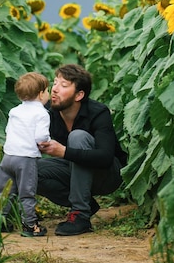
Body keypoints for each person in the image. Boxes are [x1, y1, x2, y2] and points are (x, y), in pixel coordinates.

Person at [37, 64, 127, 236]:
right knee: (30, 171)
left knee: (78, 137)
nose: (54, 89)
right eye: (54, 83)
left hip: (107, 175)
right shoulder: (48, 112)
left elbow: (106, 157)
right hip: (74, 170)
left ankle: (80, 214)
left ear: (79, 95)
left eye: (63, 86)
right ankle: (87, 204)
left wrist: (64, 152)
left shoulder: (98, 112)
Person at [0, 71, 50, 237]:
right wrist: (47, 141)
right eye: (47, 90)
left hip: (8, 157)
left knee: (4, 192)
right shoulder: (41, 113)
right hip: (25, 159)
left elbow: (8, 130)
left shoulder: (14, 111)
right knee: (26, 193)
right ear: (41, 94)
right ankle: (30, 225)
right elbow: (40, 137)